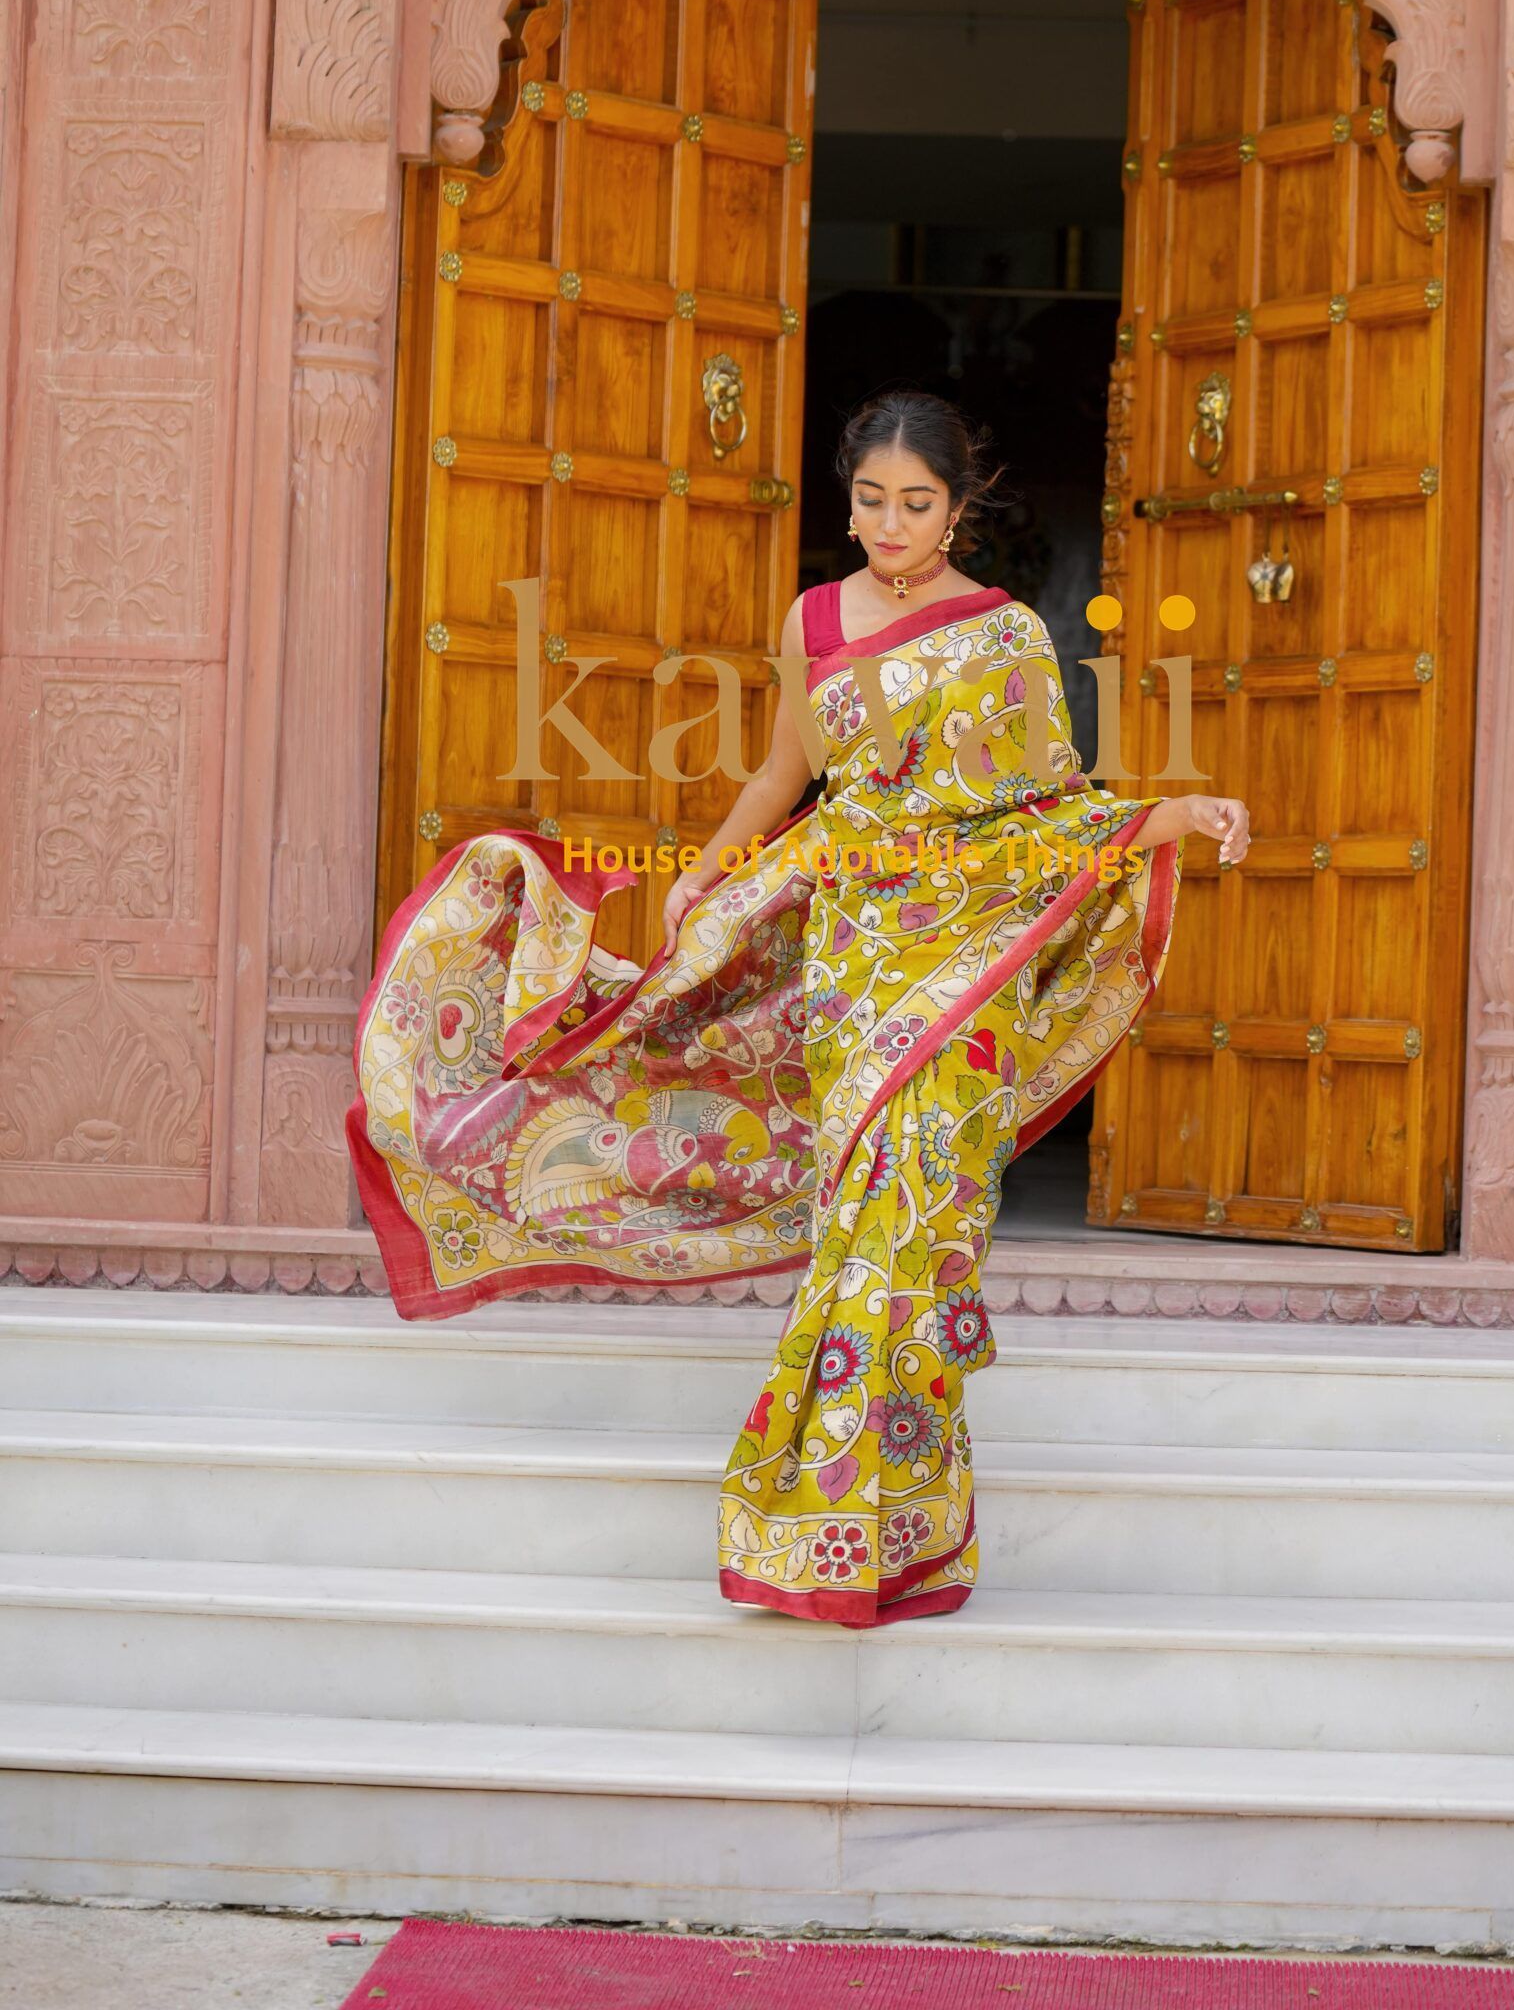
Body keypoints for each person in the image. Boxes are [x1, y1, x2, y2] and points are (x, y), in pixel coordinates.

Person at [348, 388, 1250, 1627]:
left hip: (963, 968)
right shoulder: (815, 618)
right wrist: (710, 870)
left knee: (922, 1232)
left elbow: (1045, 810)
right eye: (871, 500)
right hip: (850, 960)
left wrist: (1176, 816)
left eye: (917, 503)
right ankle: (829, 1520)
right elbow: (787, 768)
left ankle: (886, 1525)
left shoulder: (1006, 636)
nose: (891, 523)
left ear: (961, 505)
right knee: (858, 1232)